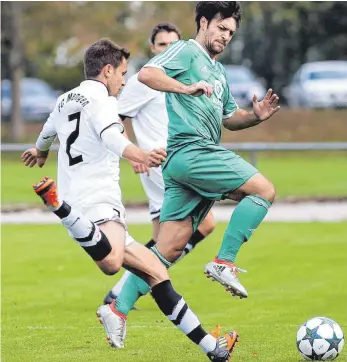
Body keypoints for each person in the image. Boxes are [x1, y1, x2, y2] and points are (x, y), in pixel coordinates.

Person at [21, 38, 239, 361]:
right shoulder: (105, 102)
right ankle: (57, 206)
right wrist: (141, 154)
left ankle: (212, 348)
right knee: (111, 263)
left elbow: (47, 131)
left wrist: (39, 151)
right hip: (96, 201)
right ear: (107, 71)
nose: (124, 81)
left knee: (156, 273)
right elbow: (111, 136)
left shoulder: (65, 99)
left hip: (83, 204)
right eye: (122, 73)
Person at [107, 1, 281, 344]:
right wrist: (185, 87)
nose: (226, 36)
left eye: (231, 32)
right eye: (221, 28)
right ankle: (224, 262)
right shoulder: (187, 51)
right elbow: (147, 74)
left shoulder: (219, 72)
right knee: (264, 190)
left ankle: (117, 308)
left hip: (183, 163)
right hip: (193, 151)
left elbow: (229, 118)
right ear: (203, 22)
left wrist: (256, 116)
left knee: (167, 248)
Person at [103, 22, 216, 305]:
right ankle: (134, 285)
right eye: (162, 44)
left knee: (161, 236)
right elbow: (116, 117)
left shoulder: (183, 79)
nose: (167, 49)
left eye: (173, 44)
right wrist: (134, 154)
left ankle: (126, 290)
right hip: (161, 164)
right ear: (153, 48)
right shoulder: (144, 80)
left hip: (178, 160)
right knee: (205, 223)